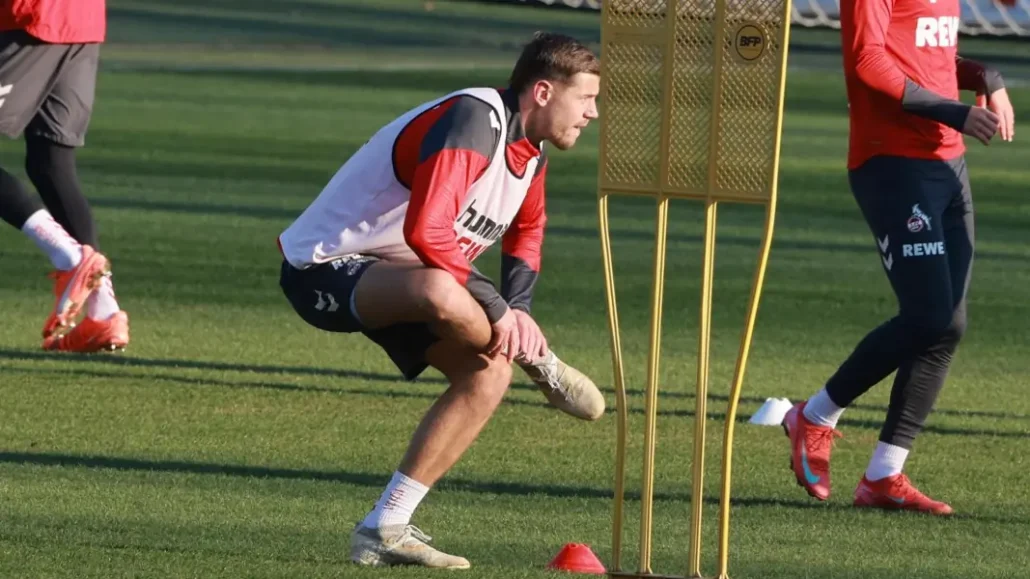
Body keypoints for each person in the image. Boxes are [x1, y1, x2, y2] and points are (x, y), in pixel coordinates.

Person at [276, 32, 604, 568]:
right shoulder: (476, 119)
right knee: (441, 290)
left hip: (406, 280)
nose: (593, 112)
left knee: (489, 372)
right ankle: (540, 363)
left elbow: (527, 234)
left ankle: (385, 526)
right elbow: (427, 230)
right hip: (321, 269)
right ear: (543, 91)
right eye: (586, 98)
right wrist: (501, 312)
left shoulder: (532, 154)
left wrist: (516, 309)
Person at [782, 0, 1015, 515]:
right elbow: (869, 64)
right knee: (929, 314)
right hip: (890, 162)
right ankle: (815, 417)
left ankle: (884, 474)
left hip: (948, 164)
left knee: (947, 324)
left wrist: (986, 75)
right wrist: (956, 110)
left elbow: (928, 59)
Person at [0, 0, 128, 352]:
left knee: (51, 161)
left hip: (32, 16)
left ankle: (68, 256)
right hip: (81, 19)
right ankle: (104, 314)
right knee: (50, 162)